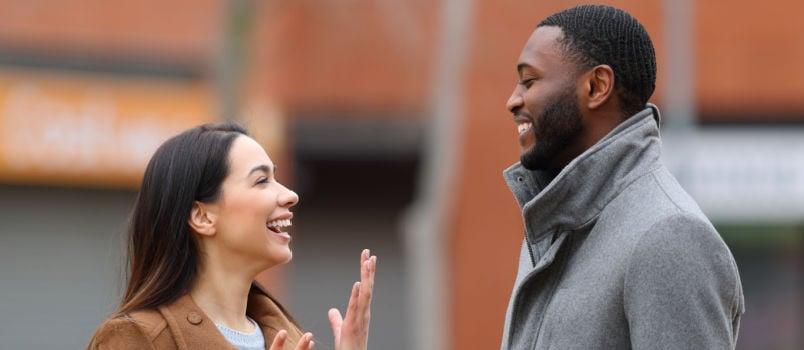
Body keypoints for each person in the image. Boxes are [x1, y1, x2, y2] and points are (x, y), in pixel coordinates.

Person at [500, 5, 743, 349]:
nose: (513, 100)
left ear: (597, 86)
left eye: (529, 81)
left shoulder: (668, 237)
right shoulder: (553, 229)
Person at [87, 122, 376, 350]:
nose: (290, 195)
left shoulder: (290, 338)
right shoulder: (134, 339)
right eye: (261, 180)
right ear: (202, 216)